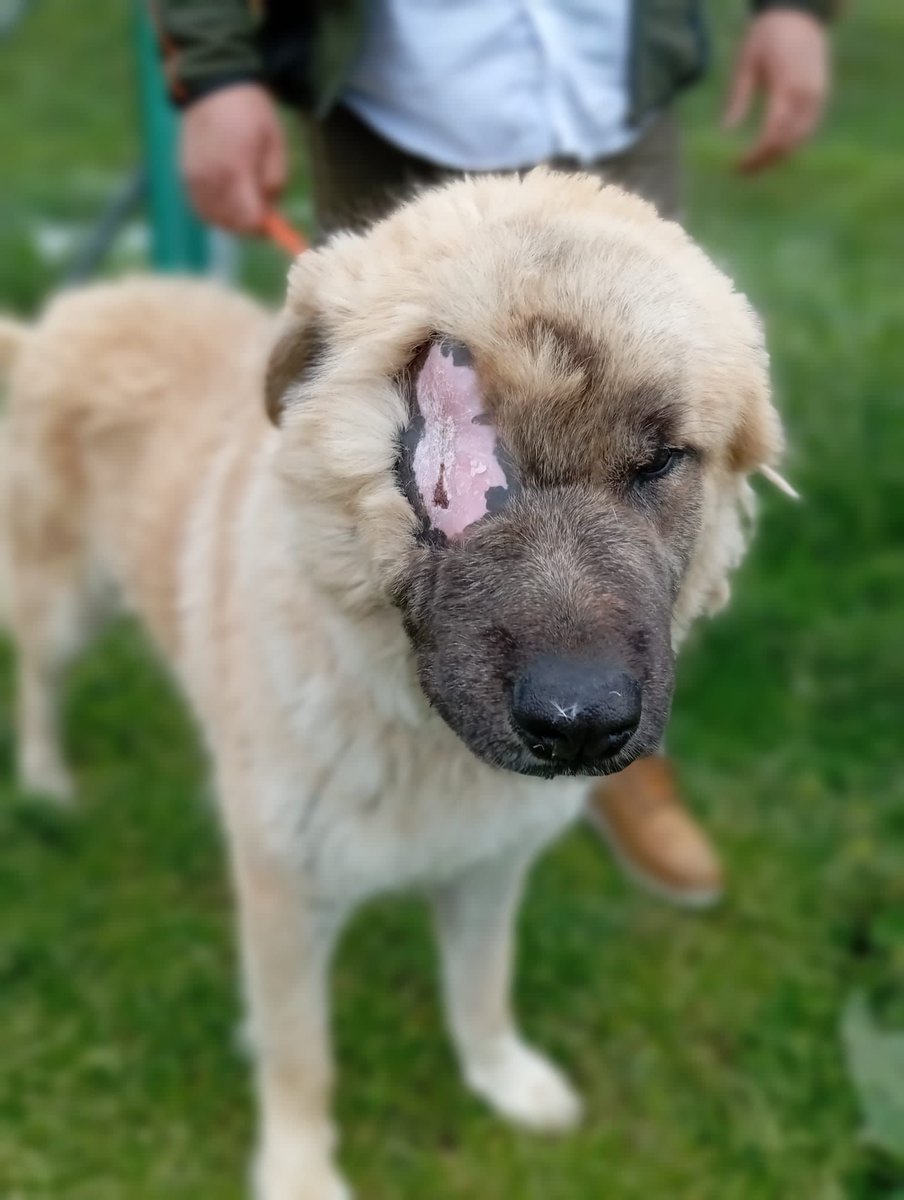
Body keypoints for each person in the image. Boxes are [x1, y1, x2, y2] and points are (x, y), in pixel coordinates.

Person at [152, 0, 832, 908]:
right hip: (391, 101)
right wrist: (215, 72)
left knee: (642, 396)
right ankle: (345, 744)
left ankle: (622, 769)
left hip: (613, 91)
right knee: (389, 462)